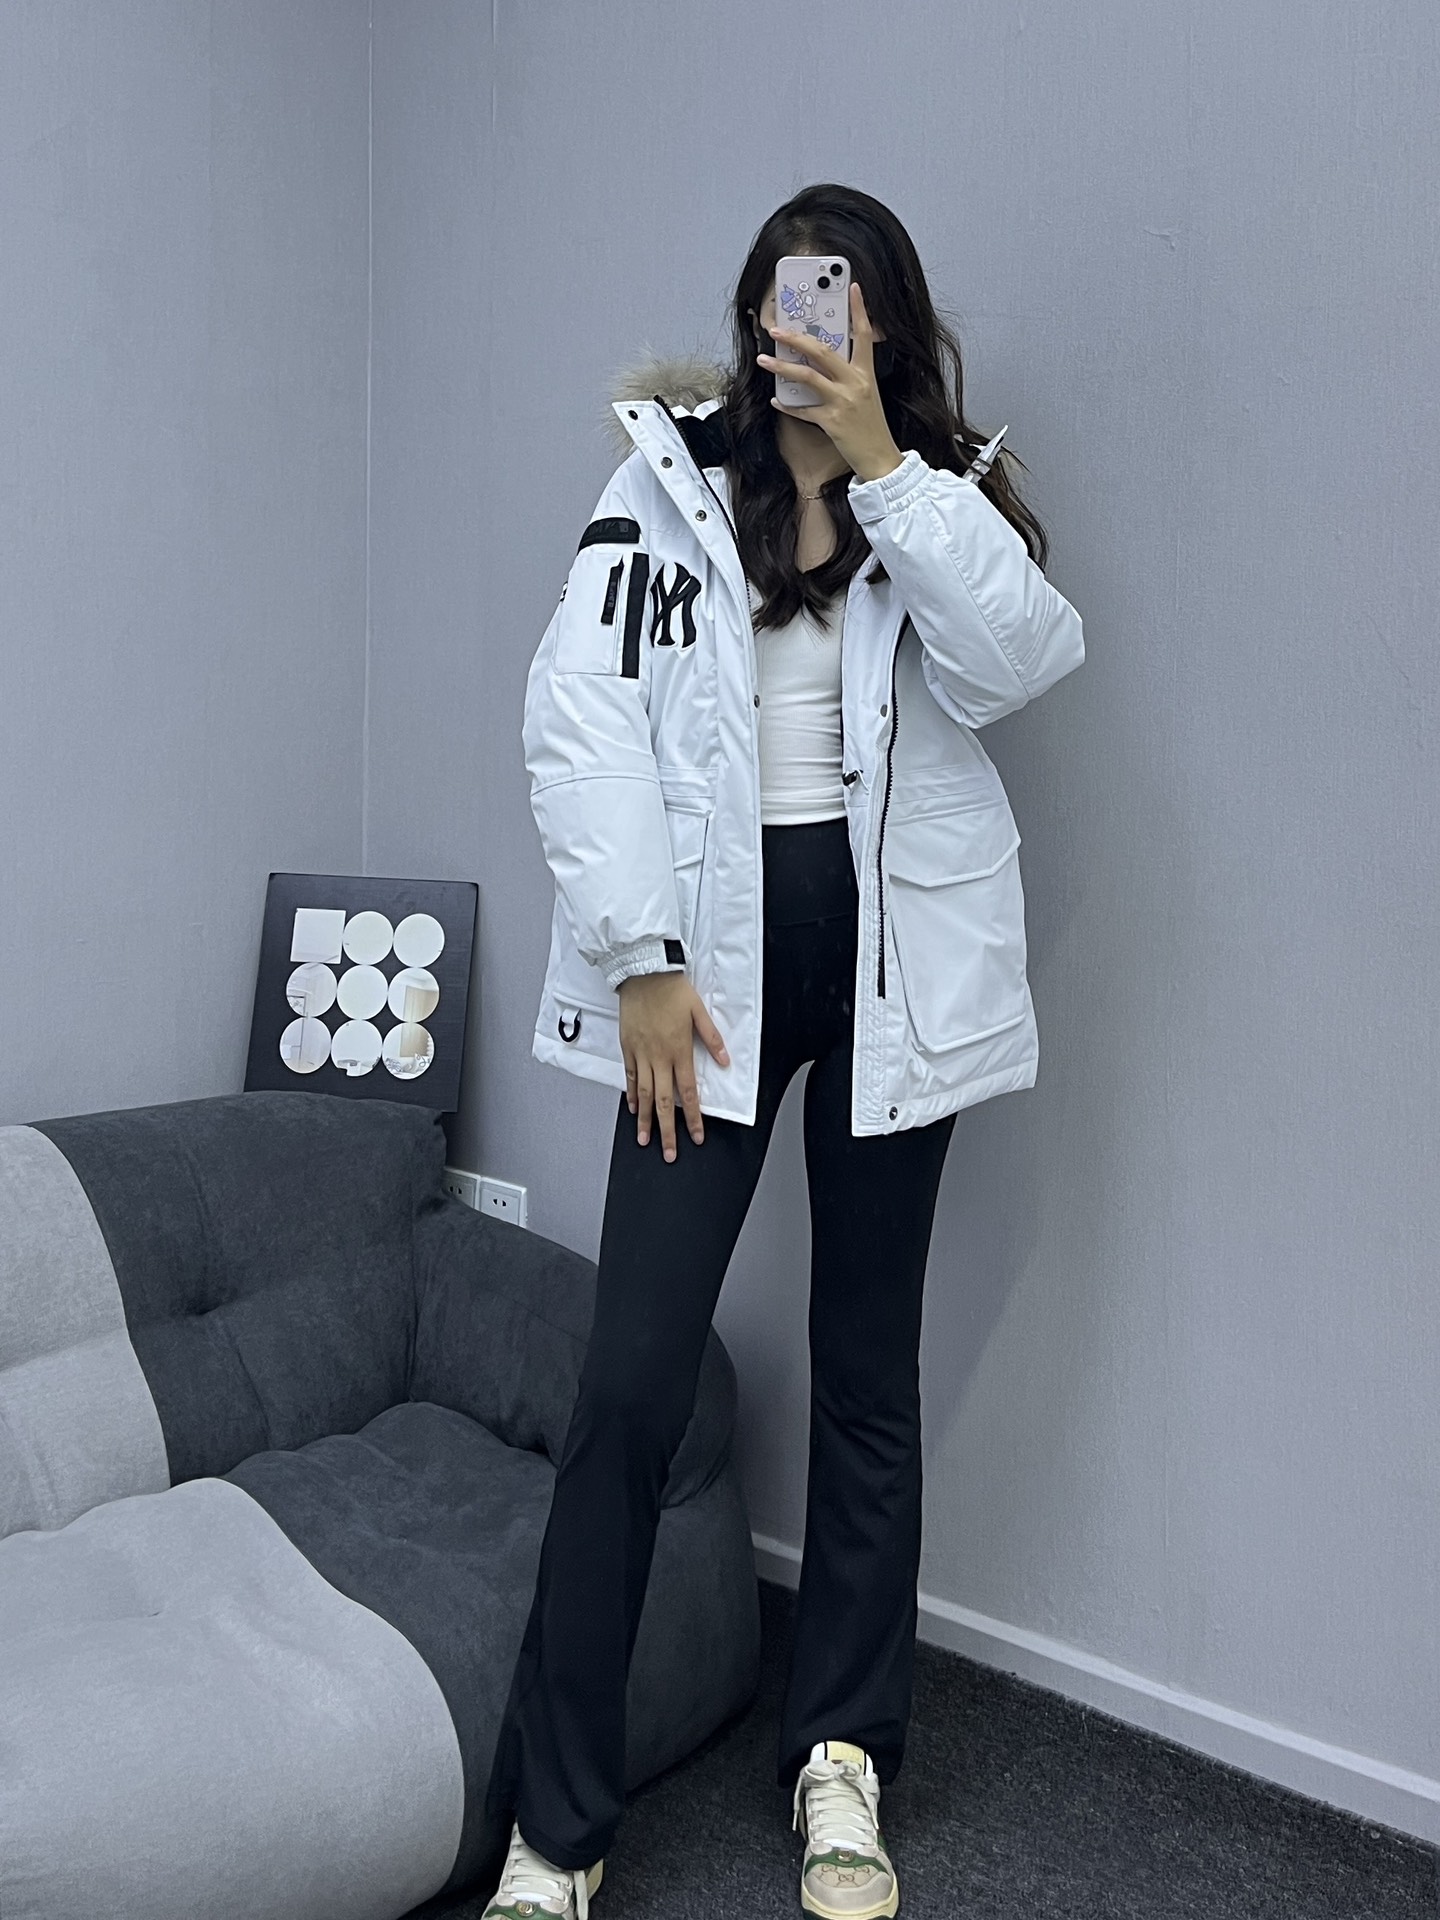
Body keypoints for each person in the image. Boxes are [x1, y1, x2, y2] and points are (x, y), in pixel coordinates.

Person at [484, 182, 1085, 1920]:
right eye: (776, 296)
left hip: (899, 978)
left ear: (883, 317)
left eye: (833, 297)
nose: (797, 323)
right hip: (707, 986)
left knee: (866, 1376)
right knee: (628, 1386)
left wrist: (886, 461)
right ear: (753, 316)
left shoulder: (942, 494)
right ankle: (558, 1826)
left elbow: (1021, 663)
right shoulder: (664, 484)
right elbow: (578, 718)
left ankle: (843, 1760)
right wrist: (640, 958)